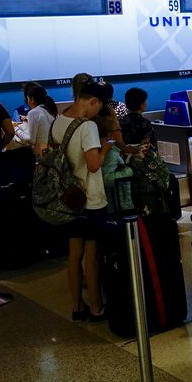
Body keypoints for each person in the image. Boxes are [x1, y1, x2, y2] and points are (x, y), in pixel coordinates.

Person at [53, 76, 113, 322]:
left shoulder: (59, 120)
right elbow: (93, 165)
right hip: (89, 199)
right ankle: (97, 308)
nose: (98, 111)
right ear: (93, 101)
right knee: (92, 253)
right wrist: (105, 147)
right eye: (99, 106)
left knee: (73, 253)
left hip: (68, 199)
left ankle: (77, 307)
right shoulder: (87, 127)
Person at [23, 86, 58, 156]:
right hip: (53, 153)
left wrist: (17, 130)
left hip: (42, 156)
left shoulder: (33, 112)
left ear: (32, 99)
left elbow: (31, 140)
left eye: (27, 99)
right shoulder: (50, 110)